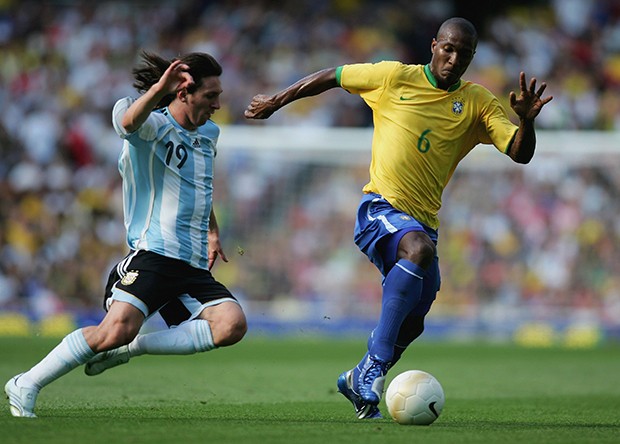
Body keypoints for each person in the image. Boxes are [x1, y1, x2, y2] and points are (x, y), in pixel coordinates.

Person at [245, 17, 552, 419]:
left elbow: (519, 152)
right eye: (449, 48)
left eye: (464, 53)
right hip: (380, 208)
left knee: (416, 318)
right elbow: (333, 75)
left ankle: (359, 376)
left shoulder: (477, 102)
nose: (454, 58)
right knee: (418, 250)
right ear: (433, 46)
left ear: (472, 58)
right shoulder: (393, 77)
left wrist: (526, 120)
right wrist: (276, 101)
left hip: (424, 221)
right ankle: (374, 365)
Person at [5, 51, 247, 418]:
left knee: (232, 324)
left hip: (192, 262)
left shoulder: (209, 134)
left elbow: (199, 186)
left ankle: (131, 350)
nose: (218, 104)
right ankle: (26, 383)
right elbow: (126, 123)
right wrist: (158, 89)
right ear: (183, 93)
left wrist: (212, 231)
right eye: (210, 95)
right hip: (154, 254)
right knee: (112, 331)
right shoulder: (151, 125)